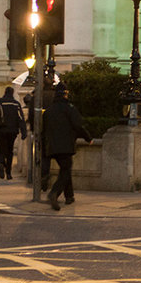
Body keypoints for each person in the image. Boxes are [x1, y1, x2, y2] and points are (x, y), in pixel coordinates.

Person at [42, 83, 93, 211]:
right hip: (65, 145)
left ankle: (69, 196)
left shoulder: (49, 111)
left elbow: (44, 131)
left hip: (52, 146)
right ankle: (54, 192)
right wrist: (88, 138)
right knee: (65, 170)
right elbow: (78, 125)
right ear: (65, 94)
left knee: (65, 169)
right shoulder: (69, 108)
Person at [0, 86, 27, 180]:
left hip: (0, 130)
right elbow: (21, 119)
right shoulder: (16, 104)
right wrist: (23, 132)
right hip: (12, 131)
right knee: (9, 151)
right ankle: (8, 172)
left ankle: (1, 163)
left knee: (1, 148)